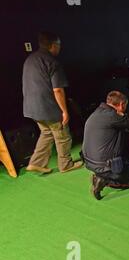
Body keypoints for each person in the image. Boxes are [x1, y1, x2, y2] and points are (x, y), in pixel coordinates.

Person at [22, 31, 83, 174]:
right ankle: (66, 164)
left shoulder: (30, 59)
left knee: (47, 133)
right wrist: (64, 111)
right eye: (59, 45)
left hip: (32, 108)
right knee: (63, 136)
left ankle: (36, 163)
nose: (60, 48)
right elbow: (58, 90)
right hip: (48, 107)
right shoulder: (52, 62)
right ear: (53, 45)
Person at [81, 91, 129, 200]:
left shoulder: (99, 111)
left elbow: (124, 122)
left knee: (128, 136)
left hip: (89, 161)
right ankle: (105, 180)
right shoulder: (113, 116)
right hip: (104, 165)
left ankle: (113, 172)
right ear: (121, 105)